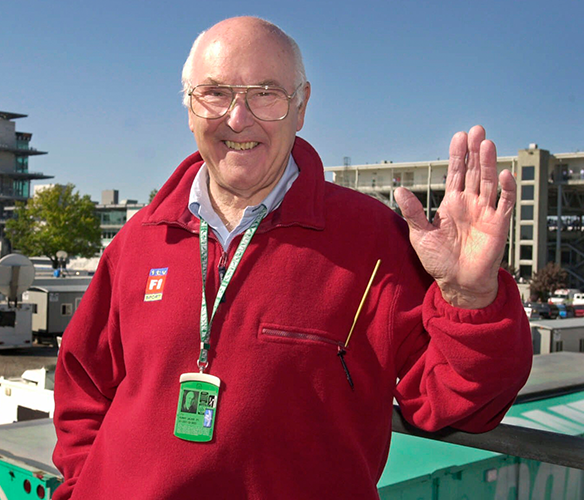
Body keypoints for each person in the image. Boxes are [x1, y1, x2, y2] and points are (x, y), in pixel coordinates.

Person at [51, 16, 532, 500]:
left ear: (301, 106)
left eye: (265, 93)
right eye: (215, 93)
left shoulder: (375, 243)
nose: (237, 119)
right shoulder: (138, 240)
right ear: (189, 108)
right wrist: (81, 488)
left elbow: (457, 401)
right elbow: (82, 387)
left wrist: (470, 295)